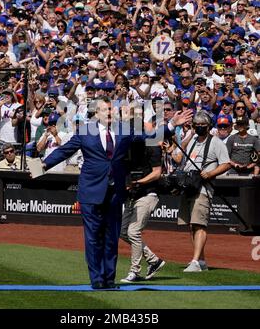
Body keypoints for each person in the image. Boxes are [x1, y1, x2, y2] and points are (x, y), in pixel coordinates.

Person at [42, 96, 192, 288]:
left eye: (112, 109)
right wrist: (42, 166)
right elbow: (64, 151)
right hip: (91, 192)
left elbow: (150, 137)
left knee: (112, 238)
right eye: (106, 110)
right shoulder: (85, 131)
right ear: (96, 113)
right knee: (93, 238)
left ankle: (109, 280)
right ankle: (97, 280)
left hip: (114, 192)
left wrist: (171, 125)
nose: (112, 112)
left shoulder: (124, 130)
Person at [178, 111, 230, 272]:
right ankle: (201, 260)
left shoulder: (216, 143)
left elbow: (226, 164)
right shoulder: (192, 140)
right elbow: (179, 158)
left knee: (199, 224)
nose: (199, 127)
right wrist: (188, 137)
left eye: (203, 125)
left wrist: (210, 173)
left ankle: (195, 261)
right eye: (196, 125)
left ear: (209, 127)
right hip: (189, 186)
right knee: (192, 225)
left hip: (203, 188)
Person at [120, 118, 165, 283]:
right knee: (123, 232)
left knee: (133, 232)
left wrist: (139, 182)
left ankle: (135, 271)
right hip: (132, 195)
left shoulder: (152, 146)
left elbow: (157, 173)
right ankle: (154, 260)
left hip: (148, 194)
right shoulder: (126, 148)